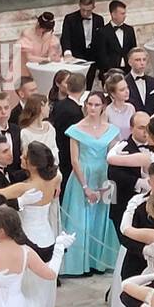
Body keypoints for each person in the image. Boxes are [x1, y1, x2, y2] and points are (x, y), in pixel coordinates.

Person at [0, 142, 64, 307]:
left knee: (29, 292)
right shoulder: (56, 178)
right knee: (44, 291)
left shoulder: (24, 188)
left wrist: (18, 201)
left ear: (33, 164)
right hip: (47, 237)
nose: (20, 158)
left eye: (24, 157)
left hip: (29, 238)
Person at [60, 91, 120, 276]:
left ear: (103, 106)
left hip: (105, 174)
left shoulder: (112, 129)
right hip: (82, 176)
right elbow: (74, 161)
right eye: (89, 104)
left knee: (104, 217)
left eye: (96, 105)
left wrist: (107, 184)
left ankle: (99, 262)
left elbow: (113, 156)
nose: (92, 108)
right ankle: (79, 264)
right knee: (80, 219)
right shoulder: (76, 129)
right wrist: (85, 187)